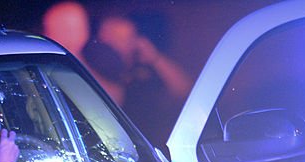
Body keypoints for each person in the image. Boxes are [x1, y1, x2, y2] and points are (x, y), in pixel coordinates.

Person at [92, 13, 192, 144]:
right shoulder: (93, 69)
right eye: (116, 39)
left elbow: (184, 91)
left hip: (152, 143)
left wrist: (155, 58)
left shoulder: (142, 72)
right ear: (102, 40)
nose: (124, 46)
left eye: (128, 39)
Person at [41, 1, 124, 102]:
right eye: (65, 28)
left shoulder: (100, 56)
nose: (70, 36)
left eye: (76, 28)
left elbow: (115, 99)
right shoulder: (37, 63)